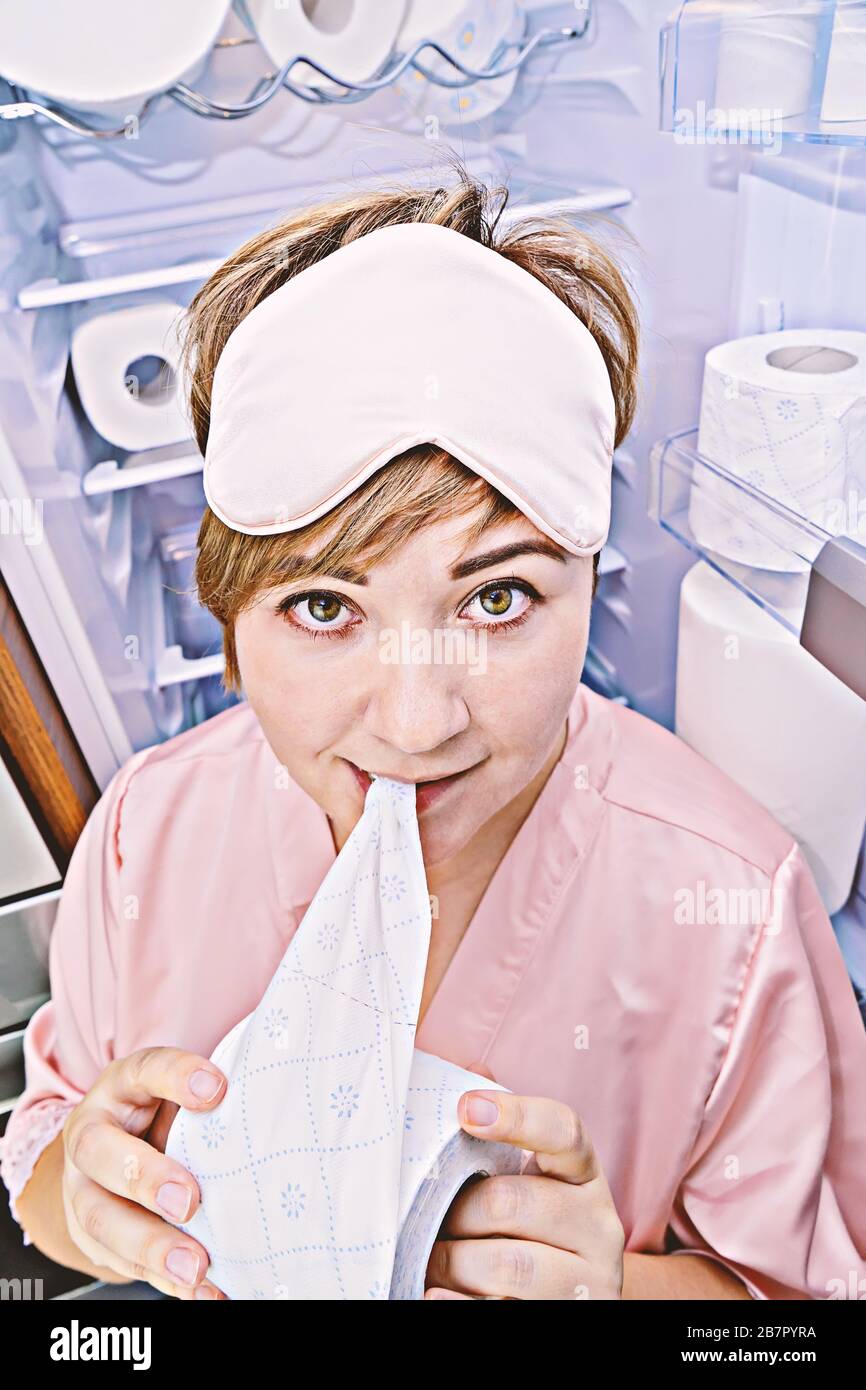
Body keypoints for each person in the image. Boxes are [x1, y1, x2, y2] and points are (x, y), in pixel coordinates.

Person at [2, 169, 865, 1302]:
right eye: (323, 608)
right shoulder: (146, 840)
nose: (415, 723)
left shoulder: (733, 915)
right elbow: (55, 1141)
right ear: (227, 619)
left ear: (588, 583)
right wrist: (79, 1194)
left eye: (495, 599)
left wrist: (619, 1291)